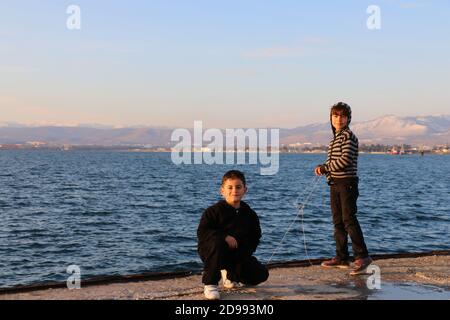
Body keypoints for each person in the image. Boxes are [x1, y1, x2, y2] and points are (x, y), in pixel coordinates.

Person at [315, 102, 373, 276]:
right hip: (335, 184)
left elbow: (344, 161)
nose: (338, 119)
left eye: (342, 116)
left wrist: (325, 168)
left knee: (349, 220)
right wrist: (324, 167)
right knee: (338, 221)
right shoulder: (335, 138)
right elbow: (334, 162)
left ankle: (362, 257)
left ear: (348, 119)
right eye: (335, 115)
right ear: (331, 118)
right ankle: (341, 257)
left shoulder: (348, 136)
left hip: (347, 184)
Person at [197, 170, 269, 300]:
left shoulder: (250, 214)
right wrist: (224, 236)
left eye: (238, 187)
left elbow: (255, 236)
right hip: (213, 253)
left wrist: (244, 254)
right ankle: (210, 284)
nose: (234, 190)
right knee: (218, 243)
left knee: (261, 274)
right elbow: (203, 232)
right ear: (222, 190)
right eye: (230, 187)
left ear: (245, 190)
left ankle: (230, 275)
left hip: (237, 255)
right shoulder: (212, 211)